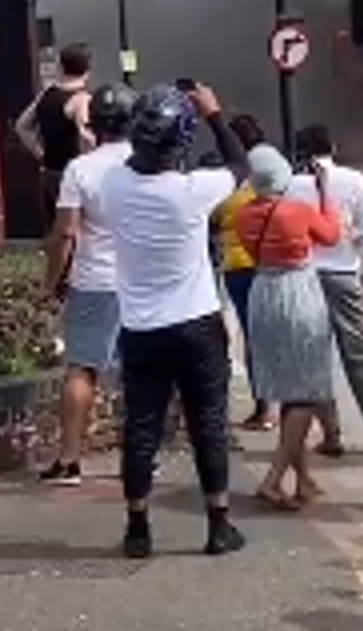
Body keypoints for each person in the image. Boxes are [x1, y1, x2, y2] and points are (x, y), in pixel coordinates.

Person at [99, 81, 247, 559]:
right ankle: (219, 525)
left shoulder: (113, 186)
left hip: (141, 328)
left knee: (141, 427)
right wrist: (213, 113)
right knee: (208, 423)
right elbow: (240, 164)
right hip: (197, 324)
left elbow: (127, 166)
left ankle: (137, 528)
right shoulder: (193, 190)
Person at [234, 144, 343, 509]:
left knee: (287, 390)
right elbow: (331, 235)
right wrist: (325, 193)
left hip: (263, 292)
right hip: (298, 293)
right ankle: (272, 479)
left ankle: (304, 480)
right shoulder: (296, 210)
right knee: (306, 391)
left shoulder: (243, 215)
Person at [40, 82, 137, 486]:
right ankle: (138, 459)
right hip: (141, 283)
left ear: (93, 124)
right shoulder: (147, 164)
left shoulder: (80, 169)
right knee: (139, 374)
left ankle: (69, 460)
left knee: (82, 369)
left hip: (94, 280)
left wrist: (51, 283)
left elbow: (65, 234)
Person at [291, 124, 363, 458]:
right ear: (333, 147)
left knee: (316, 357)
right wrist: (346, 234)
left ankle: (332, 434)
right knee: (358, 357)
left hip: (305, 277)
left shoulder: (291, 185)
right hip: (343, 273)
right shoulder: (353, 180)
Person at [211, 113, 275, 431]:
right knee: (268, 333)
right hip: (268, 263)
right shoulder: (267, 177)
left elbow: (212, 223)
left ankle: (264, 407)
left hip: (238, 267)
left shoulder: (226, 185)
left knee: (252, 336)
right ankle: (284, 403)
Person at [15, 43, 94, 234]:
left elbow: (22, 126)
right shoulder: (81, 99)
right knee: (78, 231)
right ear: (88, 69)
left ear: (61, 66)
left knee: (55, 230)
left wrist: (40, 154)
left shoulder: (47, 93)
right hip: (72, 176)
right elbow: (86, 136)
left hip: (49, 172)